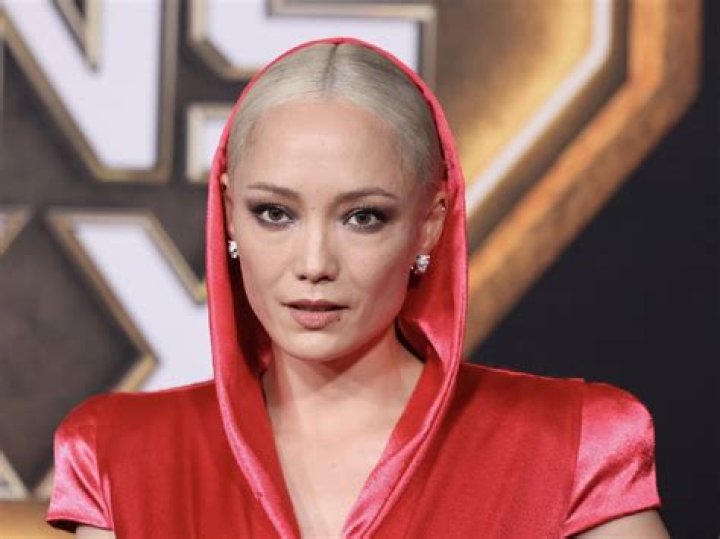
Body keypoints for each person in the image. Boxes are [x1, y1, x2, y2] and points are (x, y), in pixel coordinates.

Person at [46, 36, 668, 538]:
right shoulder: (123, 457)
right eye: (274, 213)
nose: (314, 263)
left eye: (362, 217)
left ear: (429, 224)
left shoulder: (569, 446)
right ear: (229, 212)